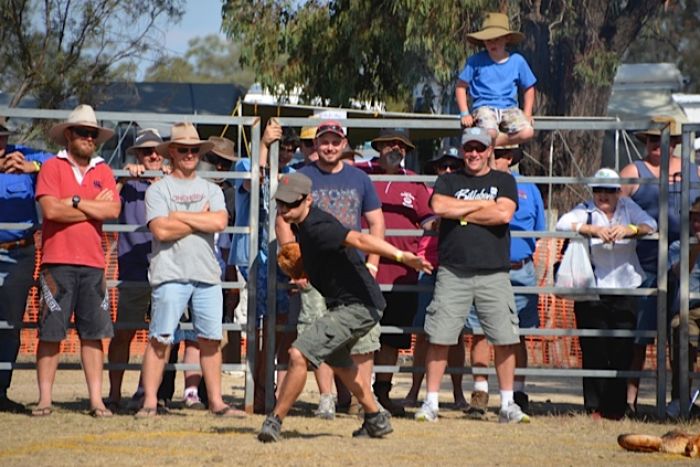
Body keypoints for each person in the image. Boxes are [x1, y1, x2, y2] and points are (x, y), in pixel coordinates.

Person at [257, 172, 432, 442]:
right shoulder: (301, 225)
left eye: (291, 204)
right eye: (281, 203)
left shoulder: (318, 226)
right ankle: (375, 418)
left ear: (309, 200)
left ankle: (275, 421)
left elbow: (360, 240)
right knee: (340, 361)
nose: (284, 209)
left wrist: (401, 256)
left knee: (298, 354)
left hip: (359, 305)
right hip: (347, 303)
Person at [416, 127, 528, 424]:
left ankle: (507, 404)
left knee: (504, 339)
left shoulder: (504, 180)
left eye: (480, 148)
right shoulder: (448, 179)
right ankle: (431, 403)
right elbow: (439, 206)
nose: (474, 154)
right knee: (439, 338)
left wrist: (459, 211)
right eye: (469, 148)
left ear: (490, 149)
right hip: (453, 271)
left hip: (494, 272)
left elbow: (503, 215)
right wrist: (482, 207)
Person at [276, 120, 385, 420]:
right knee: (315, 331)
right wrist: (294, 261)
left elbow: (376, 222)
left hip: (352, 270)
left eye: (335, 141)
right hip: (315, 272)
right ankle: (327, 397)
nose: (329, 146)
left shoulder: (360, 178)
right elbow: (282, 219)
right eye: (324, 141)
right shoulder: (301, 177)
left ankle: (367, 403)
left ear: (344, 143)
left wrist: (374, 264)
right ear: (316, 143)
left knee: (364, 341)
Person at [138, 122, 243, 418]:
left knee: (210, 339)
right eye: (183, 149)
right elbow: (160, 230)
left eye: (194, 150)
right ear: (171, 151)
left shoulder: (211, 188)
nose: (189, 154)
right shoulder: (158, 190)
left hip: (207, 275)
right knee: (160, 338)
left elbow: (220, 223)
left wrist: (180, 216)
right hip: (169, 274)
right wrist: (200, 218)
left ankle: (217, 402)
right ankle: (149, 401)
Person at [34, 104, 121, 417]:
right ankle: (44, 399)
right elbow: (51, 211)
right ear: (68, 134)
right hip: (56, 262)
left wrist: (71, 201)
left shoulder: (103, 170)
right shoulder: (51, 168)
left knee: (94, 334)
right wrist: (87, 207)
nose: (89, 138)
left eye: (93, 134)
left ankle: (96, 400)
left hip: (93, 264)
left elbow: (112, 211)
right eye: (84, 132)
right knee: (50, 333)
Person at [556, 168, 656, 419]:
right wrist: (592, 230)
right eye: (599, 190)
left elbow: (651, 224)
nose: (603, 195)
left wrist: (630, 229)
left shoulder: (628, 207)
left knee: (622, 349)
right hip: (593, 287)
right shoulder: (586, 209)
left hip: (626, 287)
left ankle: (616, 408)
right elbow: (562, 223)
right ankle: (594, 407)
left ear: (618, 192)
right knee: (593, 348)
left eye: (609, 190)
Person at [619, 115, 700, 416]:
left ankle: (680, 401)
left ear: (676, 144)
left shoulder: (694, 172)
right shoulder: (633, 171)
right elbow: (613, 206)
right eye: (652, 140)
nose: (657, 145)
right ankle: (630, 401)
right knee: (640, 338)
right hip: (645, 267)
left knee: (680, 336)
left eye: (664, 140)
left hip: (686, 267)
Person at [356, 129, 433, 416]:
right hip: (363, 271)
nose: (395, 148)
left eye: (401, 145)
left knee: (392, 338)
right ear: (378, 146)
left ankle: (382, 393)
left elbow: (431, 222)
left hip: (402, 275)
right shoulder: (361, 174)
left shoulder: (415, 184)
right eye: (389, 143)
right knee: (360, 334)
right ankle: (357, 394)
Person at [464, 144, 545, 418]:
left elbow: (540, 230)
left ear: (509, 158)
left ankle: (517, 393)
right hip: (485, 267)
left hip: (520, 270)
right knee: (479, 331)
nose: (491, 157)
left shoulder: (530, 189)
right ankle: (480, 393)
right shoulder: (476, 186)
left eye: (497, 154)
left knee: (517, 333)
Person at [228, 119, 297, 413]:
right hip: (250, 258)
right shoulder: (246, 163)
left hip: (280, 260)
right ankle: (255, 393)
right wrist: (264, 146)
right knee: (253, 330)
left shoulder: (293, 175)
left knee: (277, 329)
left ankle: (266, 392)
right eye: (283, 147)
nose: (286, 154)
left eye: (291, 149)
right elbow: (251, 182)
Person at [106, 128, 167, 412]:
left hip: (166, 266)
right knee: (124, 332)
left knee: (161, 334)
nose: (153, 156)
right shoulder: (127, 183)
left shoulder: (171, 180)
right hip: (132, 266)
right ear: (137, 155)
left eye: (157, 151)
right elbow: (106, 207)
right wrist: (121, 179)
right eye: (146, 151)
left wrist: (164, 179)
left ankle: (148, 395)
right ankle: (114, 394)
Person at [404, 147, 467, 409]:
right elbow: (427, 223)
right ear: (436, 169)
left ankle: (458, 393)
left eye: (454, 166)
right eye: (444, 166)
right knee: (423, 334)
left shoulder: (466, 194)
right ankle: (415, 390)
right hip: (429, 268)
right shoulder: (427, 193)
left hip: (455, 269)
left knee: (457, 336)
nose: (449, 171)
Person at [0, 119, 54, 413]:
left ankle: (1, 390)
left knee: (10, 325)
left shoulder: (26, 155)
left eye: (2, 136)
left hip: (20, 252)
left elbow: (61, 164)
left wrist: (31, 168)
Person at [455, 12, 536, 147]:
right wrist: (464, 113)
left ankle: (491, 144)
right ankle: (489, 143)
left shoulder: (517, 61)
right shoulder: (475, 61)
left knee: (527, 132)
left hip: (510, 109)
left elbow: (529, 88)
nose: (492, 43)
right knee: (490, 132)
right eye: (488, 40)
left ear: (507, 39)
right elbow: (460, 86)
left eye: (497, 39)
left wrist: (527, 113)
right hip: (484, 108)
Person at [667, 197, 700, 418]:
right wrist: (696, 247)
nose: (697, 224)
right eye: (694, 219)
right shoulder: (679, 246)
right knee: (682, 330)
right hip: (689, 310)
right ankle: (681, 398)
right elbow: (680, 273)